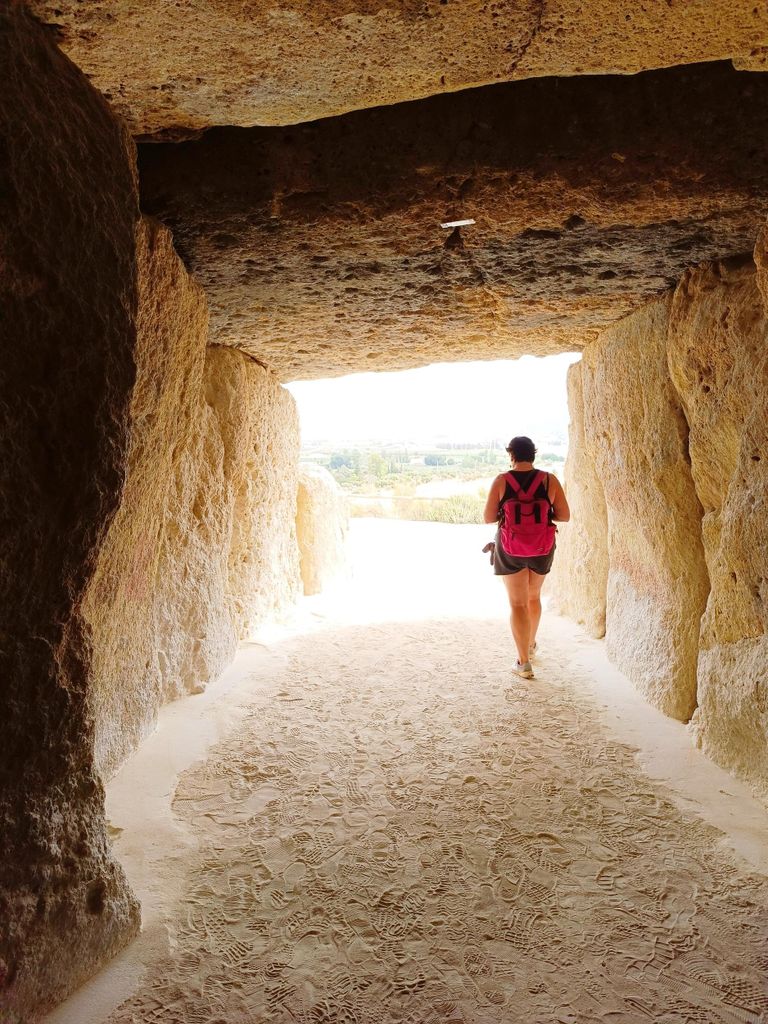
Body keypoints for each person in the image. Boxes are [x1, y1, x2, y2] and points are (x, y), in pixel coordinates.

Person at [483, 436, 570, 680]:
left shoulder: (502, 481)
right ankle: (531, 644)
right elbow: (564, 515)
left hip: (510, 549)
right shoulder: (548, 480)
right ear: (534, 454)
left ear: (511, 455)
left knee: (517, 604)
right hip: (542, 548)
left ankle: (523, 662)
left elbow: (489, 517)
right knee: (533, 597)